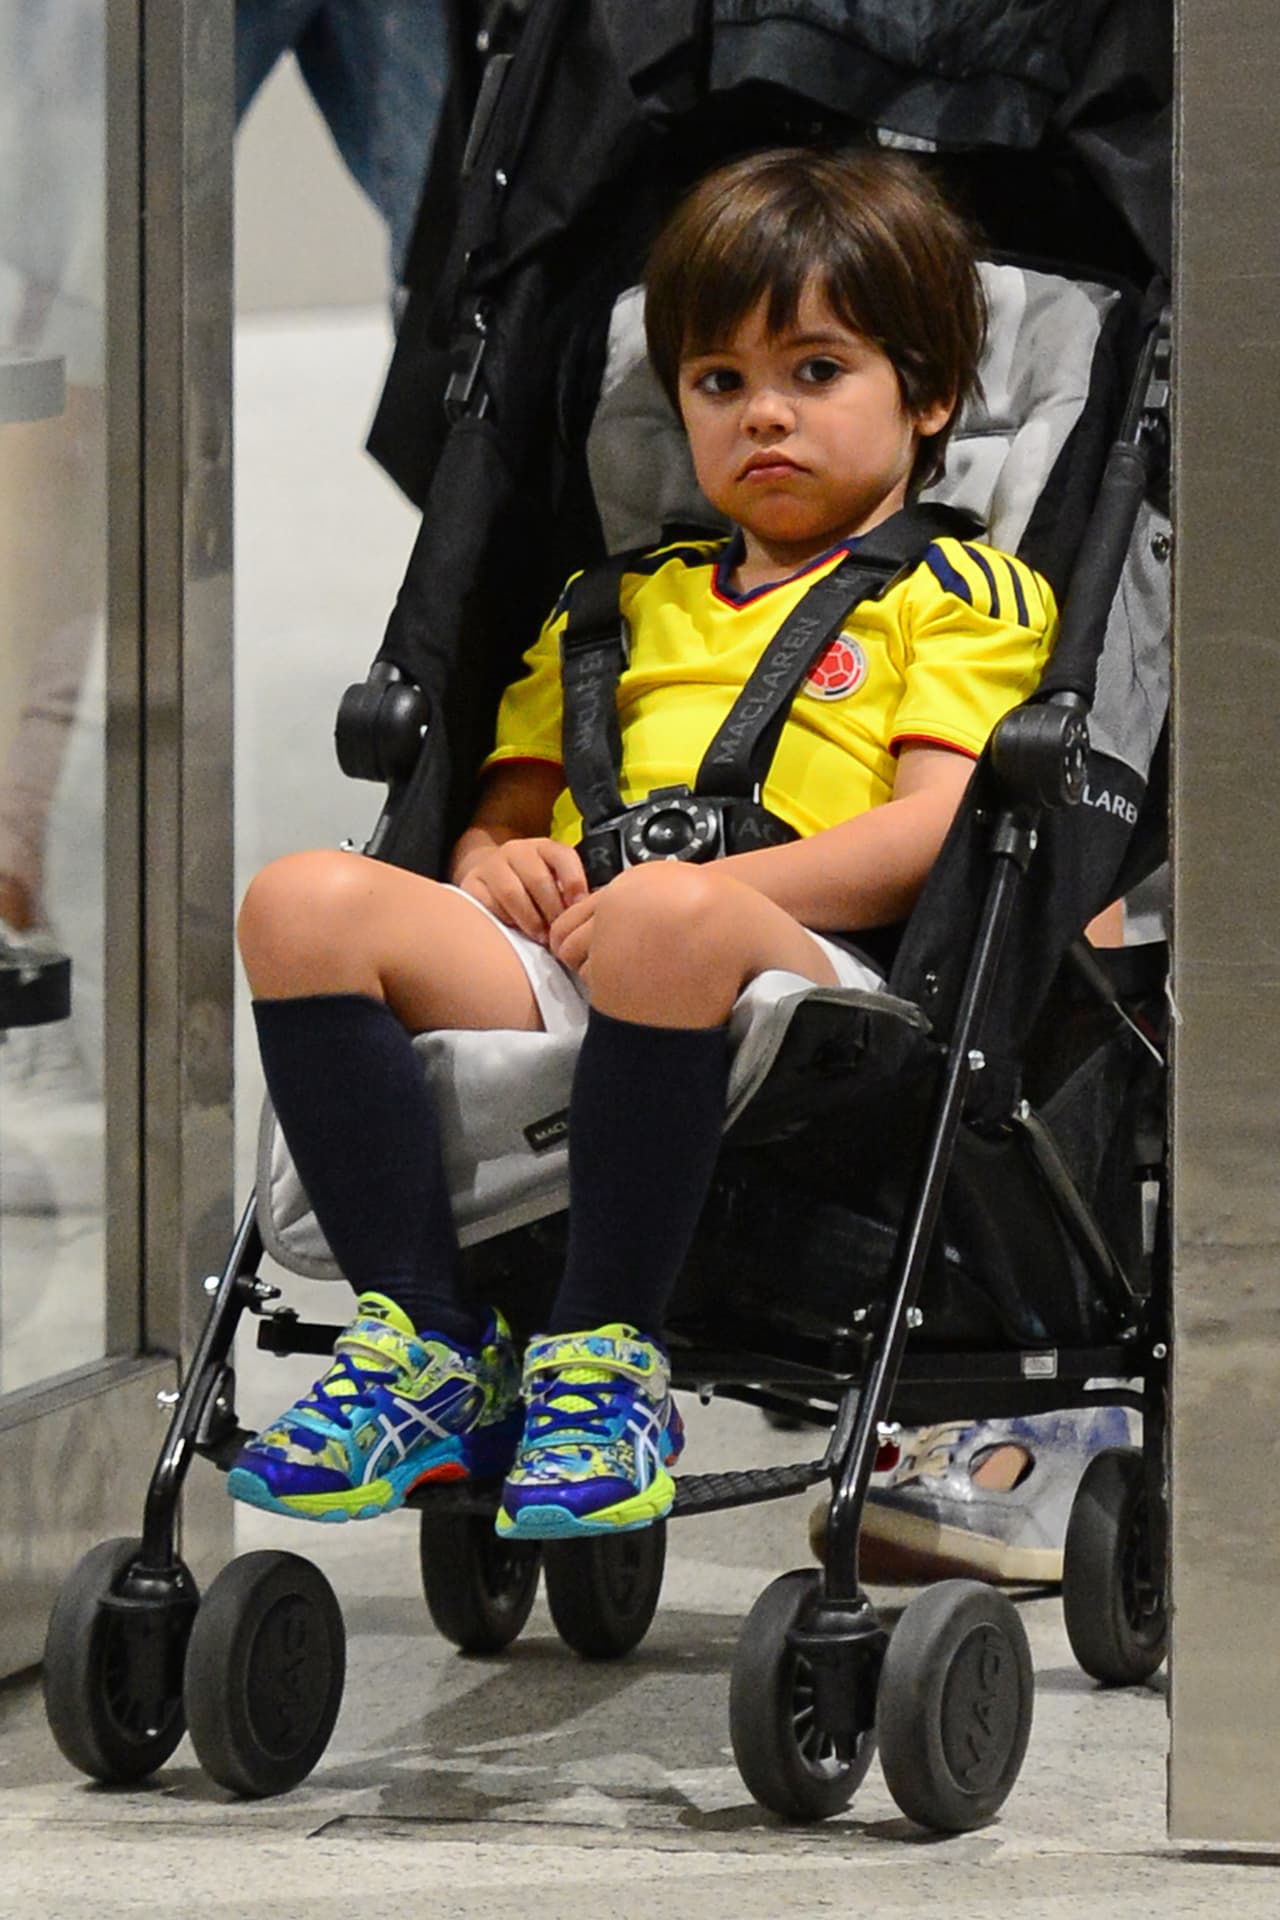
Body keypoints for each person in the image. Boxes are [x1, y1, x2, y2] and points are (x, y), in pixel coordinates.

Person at [227, 146, 1058, 1544]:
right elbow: (503, 809)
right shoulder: (612, 608)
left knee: (669, 923)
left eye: (816, 373)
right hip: (592, 950)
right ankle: (426, 1344)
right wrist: (495, 863)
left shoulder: (955, 588)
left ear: (927, 400)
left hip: (808, 977)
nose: (764, 416)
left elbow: (926, 833)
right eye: (721, 383)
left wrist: (700, 896)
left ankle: (605, 1363)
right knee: (300, 901)